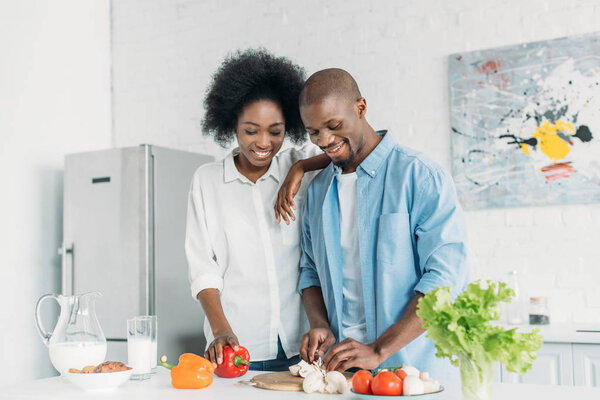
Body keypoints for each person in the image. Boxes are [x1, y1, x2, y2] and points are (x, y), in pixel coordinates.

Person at [297, 68, 469, 380]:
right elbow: (309, 270)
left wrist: (379, 350)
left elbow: (445, 279)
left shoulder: (420, 176)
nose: (325, 140)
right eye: (313, 133)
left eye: (334, 126)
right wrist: (319, 323)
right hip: (343, 375)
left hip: (416, 375)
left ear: (360, 108)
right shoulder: (317, 192)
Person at [185, 49, 329, 371]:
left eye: (275, 132)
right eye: (251, 130)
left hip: (301, 345)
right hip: (237, 346)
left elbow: (346, 147)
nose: (264, 143)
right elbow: (202, 267)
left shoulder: (296, 165)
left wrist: (301, 167)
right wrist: (220, 328)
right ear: (231, 125)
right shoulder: (208, 181)